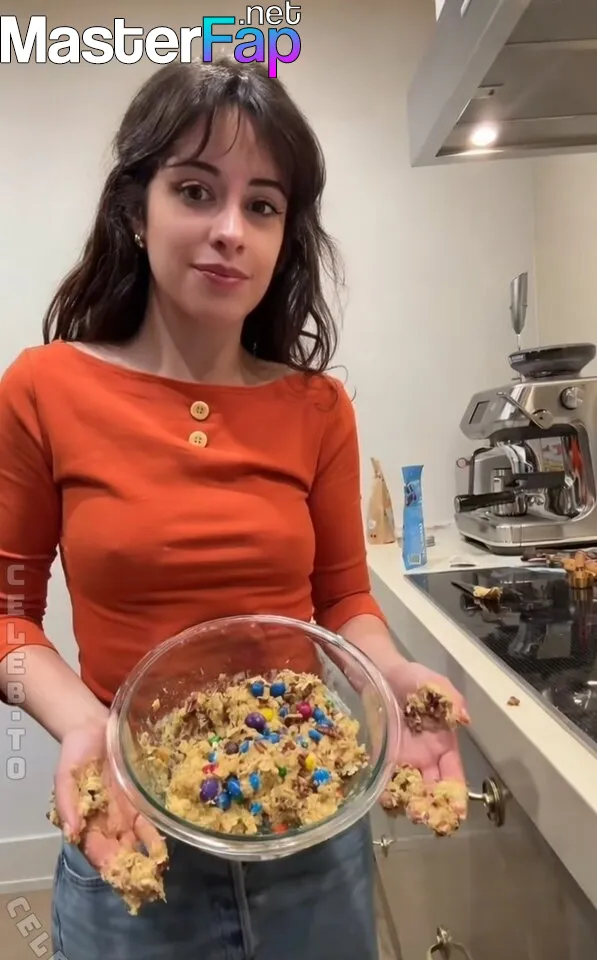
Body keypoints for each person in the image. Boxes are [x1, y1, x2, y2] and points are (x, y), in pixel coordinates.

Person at [0, 58, 469, 960]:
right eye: (194, 191)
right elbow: (6, 614)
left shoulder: (317, 407)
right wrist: (84, 723)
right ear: (135, 211)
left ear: (285, 235)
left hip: (309, 831)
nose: (229, 230)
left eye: (261, 205)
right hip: (133, 828)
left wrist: (389, 676)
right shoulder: (43, 389)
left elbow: (342, 598)